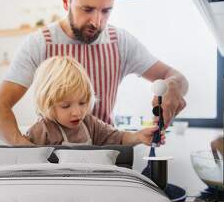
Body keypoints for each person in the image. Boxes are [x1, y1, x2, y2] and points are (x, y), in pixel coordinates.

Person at [0, 0, 188, 145]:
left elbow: (174, 75)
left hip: (108, 154)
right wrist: (24, 148)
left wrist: (173, 86)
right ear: (66, 1)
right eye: (88, 9)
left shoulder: (121, 42)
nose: (97, 22)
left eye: (106, 11)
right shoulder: (39, 44)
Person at [25, 56, 165, 146]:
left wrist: (139, 137)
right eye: (65, 106)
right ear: (47, 104)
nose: (77, 112)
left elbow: (119, 138)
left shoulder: (90, 124)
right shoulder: (41, 132)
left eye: (82, 102)